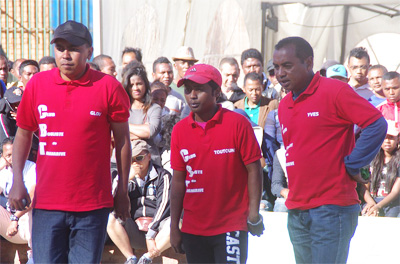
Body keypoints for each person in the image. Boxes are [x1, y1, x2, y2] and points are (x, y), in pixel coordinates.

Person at [8, 20, 132, 263]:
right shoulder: (38, 85)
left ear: (89, 51)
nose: (65, 55)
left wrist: (123, 190)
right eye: (60, 47)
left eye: (73, 48)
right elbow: (23, 134)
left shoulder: (109, 87)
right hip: (46, 205)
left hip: (92, 205)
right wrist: (17, 181)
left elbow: (123, 141)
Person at [274, 36, 386, 264]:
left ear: (308, 62)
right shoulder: (284, 105)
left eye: (287, 65)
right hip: (297, 209)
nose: (280, 73)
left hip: (331, 209)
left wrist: (354, 163)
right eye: (276, 67)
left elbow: (377, 124)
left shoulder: (335, 90)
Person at [170, 64, 264, 264]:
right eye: (187, 90)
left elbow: (254, 170)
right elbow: (178, 182)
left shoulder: (238, 124)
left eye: (199, 89)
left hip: (231, 226)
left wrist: (253, 213)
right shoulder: (179, 130)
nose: (192, 95)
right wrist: (174, 228)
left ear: (216, 92)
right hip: (193, 229)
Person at [107, 140, 172, 264]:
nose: (135, 163)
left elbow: (164, 206)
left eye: (139, 158)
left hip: (158, 234)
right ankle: (130, 258)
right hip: (133, 231)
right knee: (110, 218)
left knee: (174, 224)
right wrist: (124, 181)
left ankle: (147, 258)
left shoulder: (163, 176)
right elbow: (110, 203)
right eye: (131, 160)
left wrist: (151, 233)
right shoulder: (124, 177)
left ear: (149, 156)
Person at [0, 137, 36, 263]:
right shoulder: (4, 171)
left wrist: (15, 218)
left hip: (28, 225)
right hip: (11, 228)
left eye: (15, 153)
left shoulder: (31, 168)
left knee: (36, 205)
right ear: (3, 157)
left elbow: (33, 198)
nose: (12, 158)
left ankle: (34, 256)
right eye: (8, 155)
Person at [122, 63, 162, 166]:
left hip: (149, 162)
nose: (136, 88)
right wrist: (142, 130)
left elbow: (150, 132)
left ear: (145, 84)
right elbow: (112, 134)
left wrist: (123, 125)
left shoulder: (154, 108)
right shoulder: (121, 108)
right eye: (131, 85)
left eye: (139, 83)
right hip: (123, 161)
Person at [361, 120, 400, 217]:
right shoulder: (371, 158)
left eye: (391, 138)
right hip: (372, 200)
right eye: (385, 137)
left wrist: (378, 207)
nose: (387, 141)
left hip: (393, 203)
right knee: (367, 213)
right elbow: (363, 186)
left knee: (391, 216)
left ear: (398, 139)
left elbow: (396, 191)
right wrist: (371, 204)